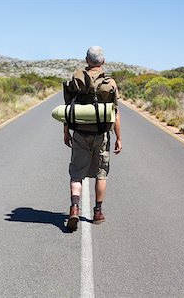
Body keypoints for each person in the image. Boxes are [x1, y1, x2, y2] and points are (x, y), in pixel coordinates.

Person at [63, 46, 122, 231]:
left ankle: (74, 208)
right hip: (101, 134)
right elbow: (115, 113)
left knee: (76, 173)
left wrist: (66, 132)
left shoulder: (77, 80)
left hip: (80, 132)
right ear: (103, 62)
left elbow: (68, 109)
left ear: (87, 60)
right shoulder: (110, 83)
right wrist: (119, 138)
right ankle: (97, 212)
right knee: (101, 173)